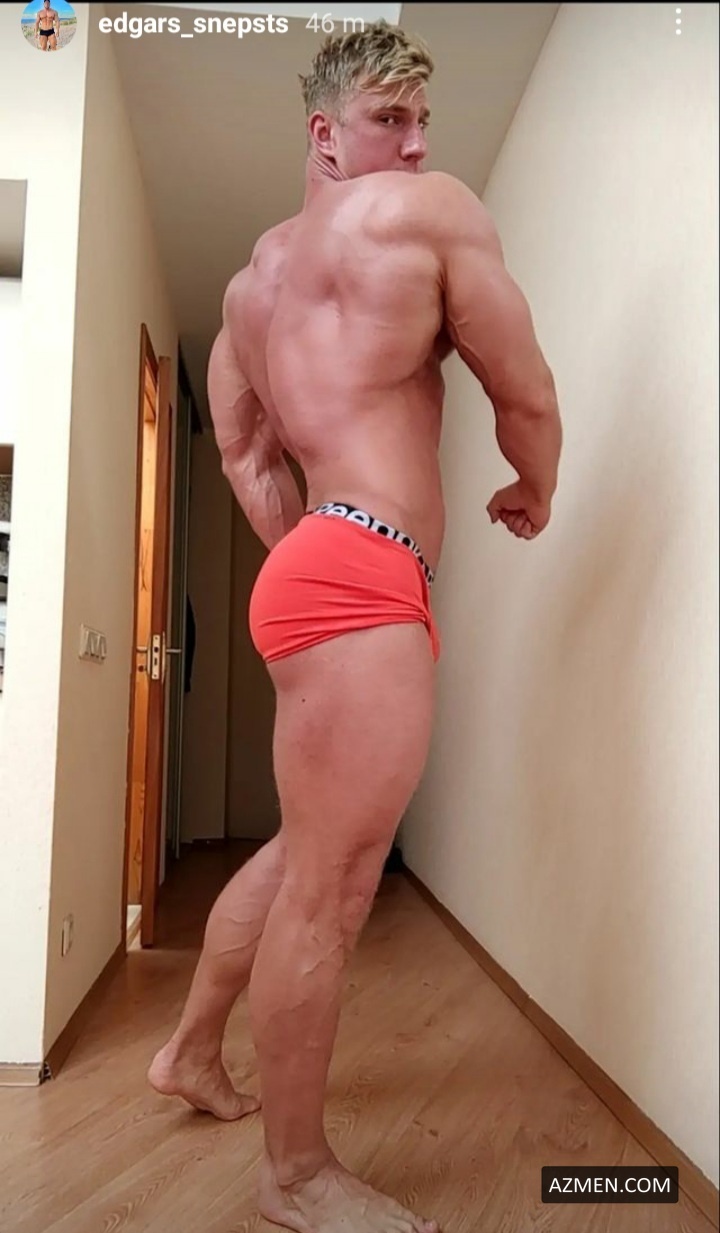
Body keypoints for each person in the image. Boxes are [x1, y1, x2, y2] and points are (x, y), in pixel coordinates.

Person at [149, 20, 562, 1233]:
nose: (418, 145)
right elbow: (525, 390)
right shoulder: (429, 214)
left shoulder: (247, 296)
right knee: (332, 892)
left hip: (311, 567)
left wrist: (314, 558)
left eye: (424, 122)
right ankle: (294, 1176)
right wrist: (535, 485)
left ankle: (189, 1052)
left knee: (299, 854)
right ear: (325, 134)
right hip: (365, 571)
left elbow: (244, 456)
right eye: (391, 119)